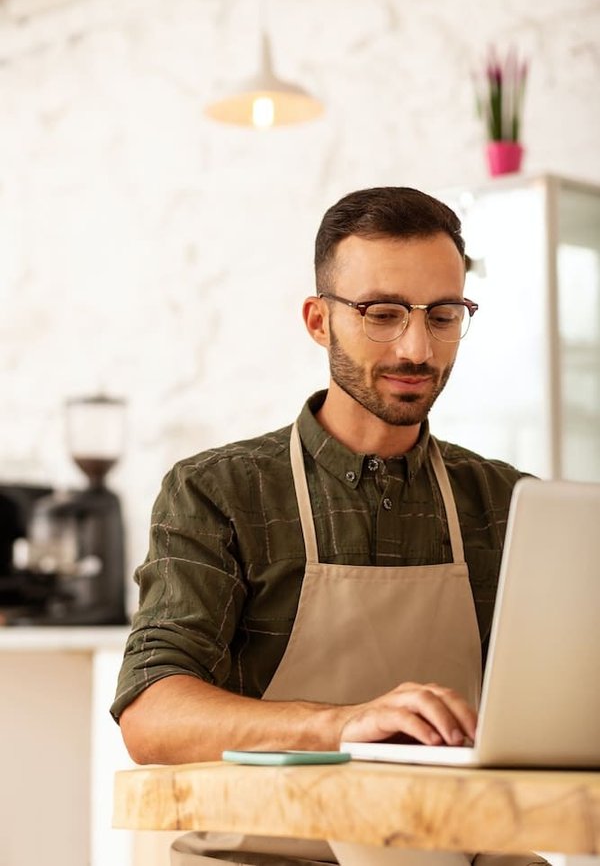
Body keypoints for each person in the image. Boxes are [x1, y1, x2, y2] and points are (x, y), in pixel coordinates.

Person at [111, 187, 546, 866]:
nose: (416, 347)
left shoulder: (508, 500)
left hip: (453, 848)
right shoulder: (219, 490)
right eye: (382, 314)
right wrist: (345, 724)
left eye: (443, 315)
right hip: (268, 850)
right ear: (319, 320)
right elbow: (152, 714)